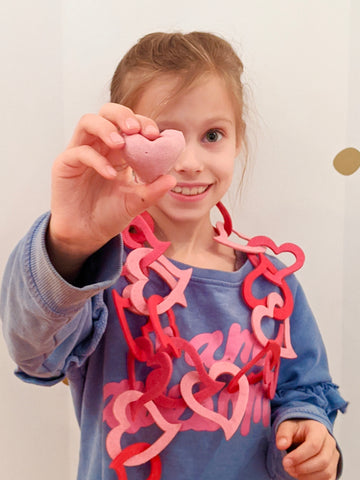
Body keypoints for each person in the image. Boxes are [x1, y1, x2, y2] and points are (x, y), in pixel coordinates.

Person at [0, 31, 347, 480]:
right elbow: (35, 355)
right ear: (124, 143)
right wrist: (69, 243)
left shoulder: (273, 284)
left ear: (238, 142)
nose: (188, 161)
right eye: (165, 134)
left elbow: (306, 388)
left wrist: (308, 433)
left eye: (213, 135)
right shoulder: (100, 272)